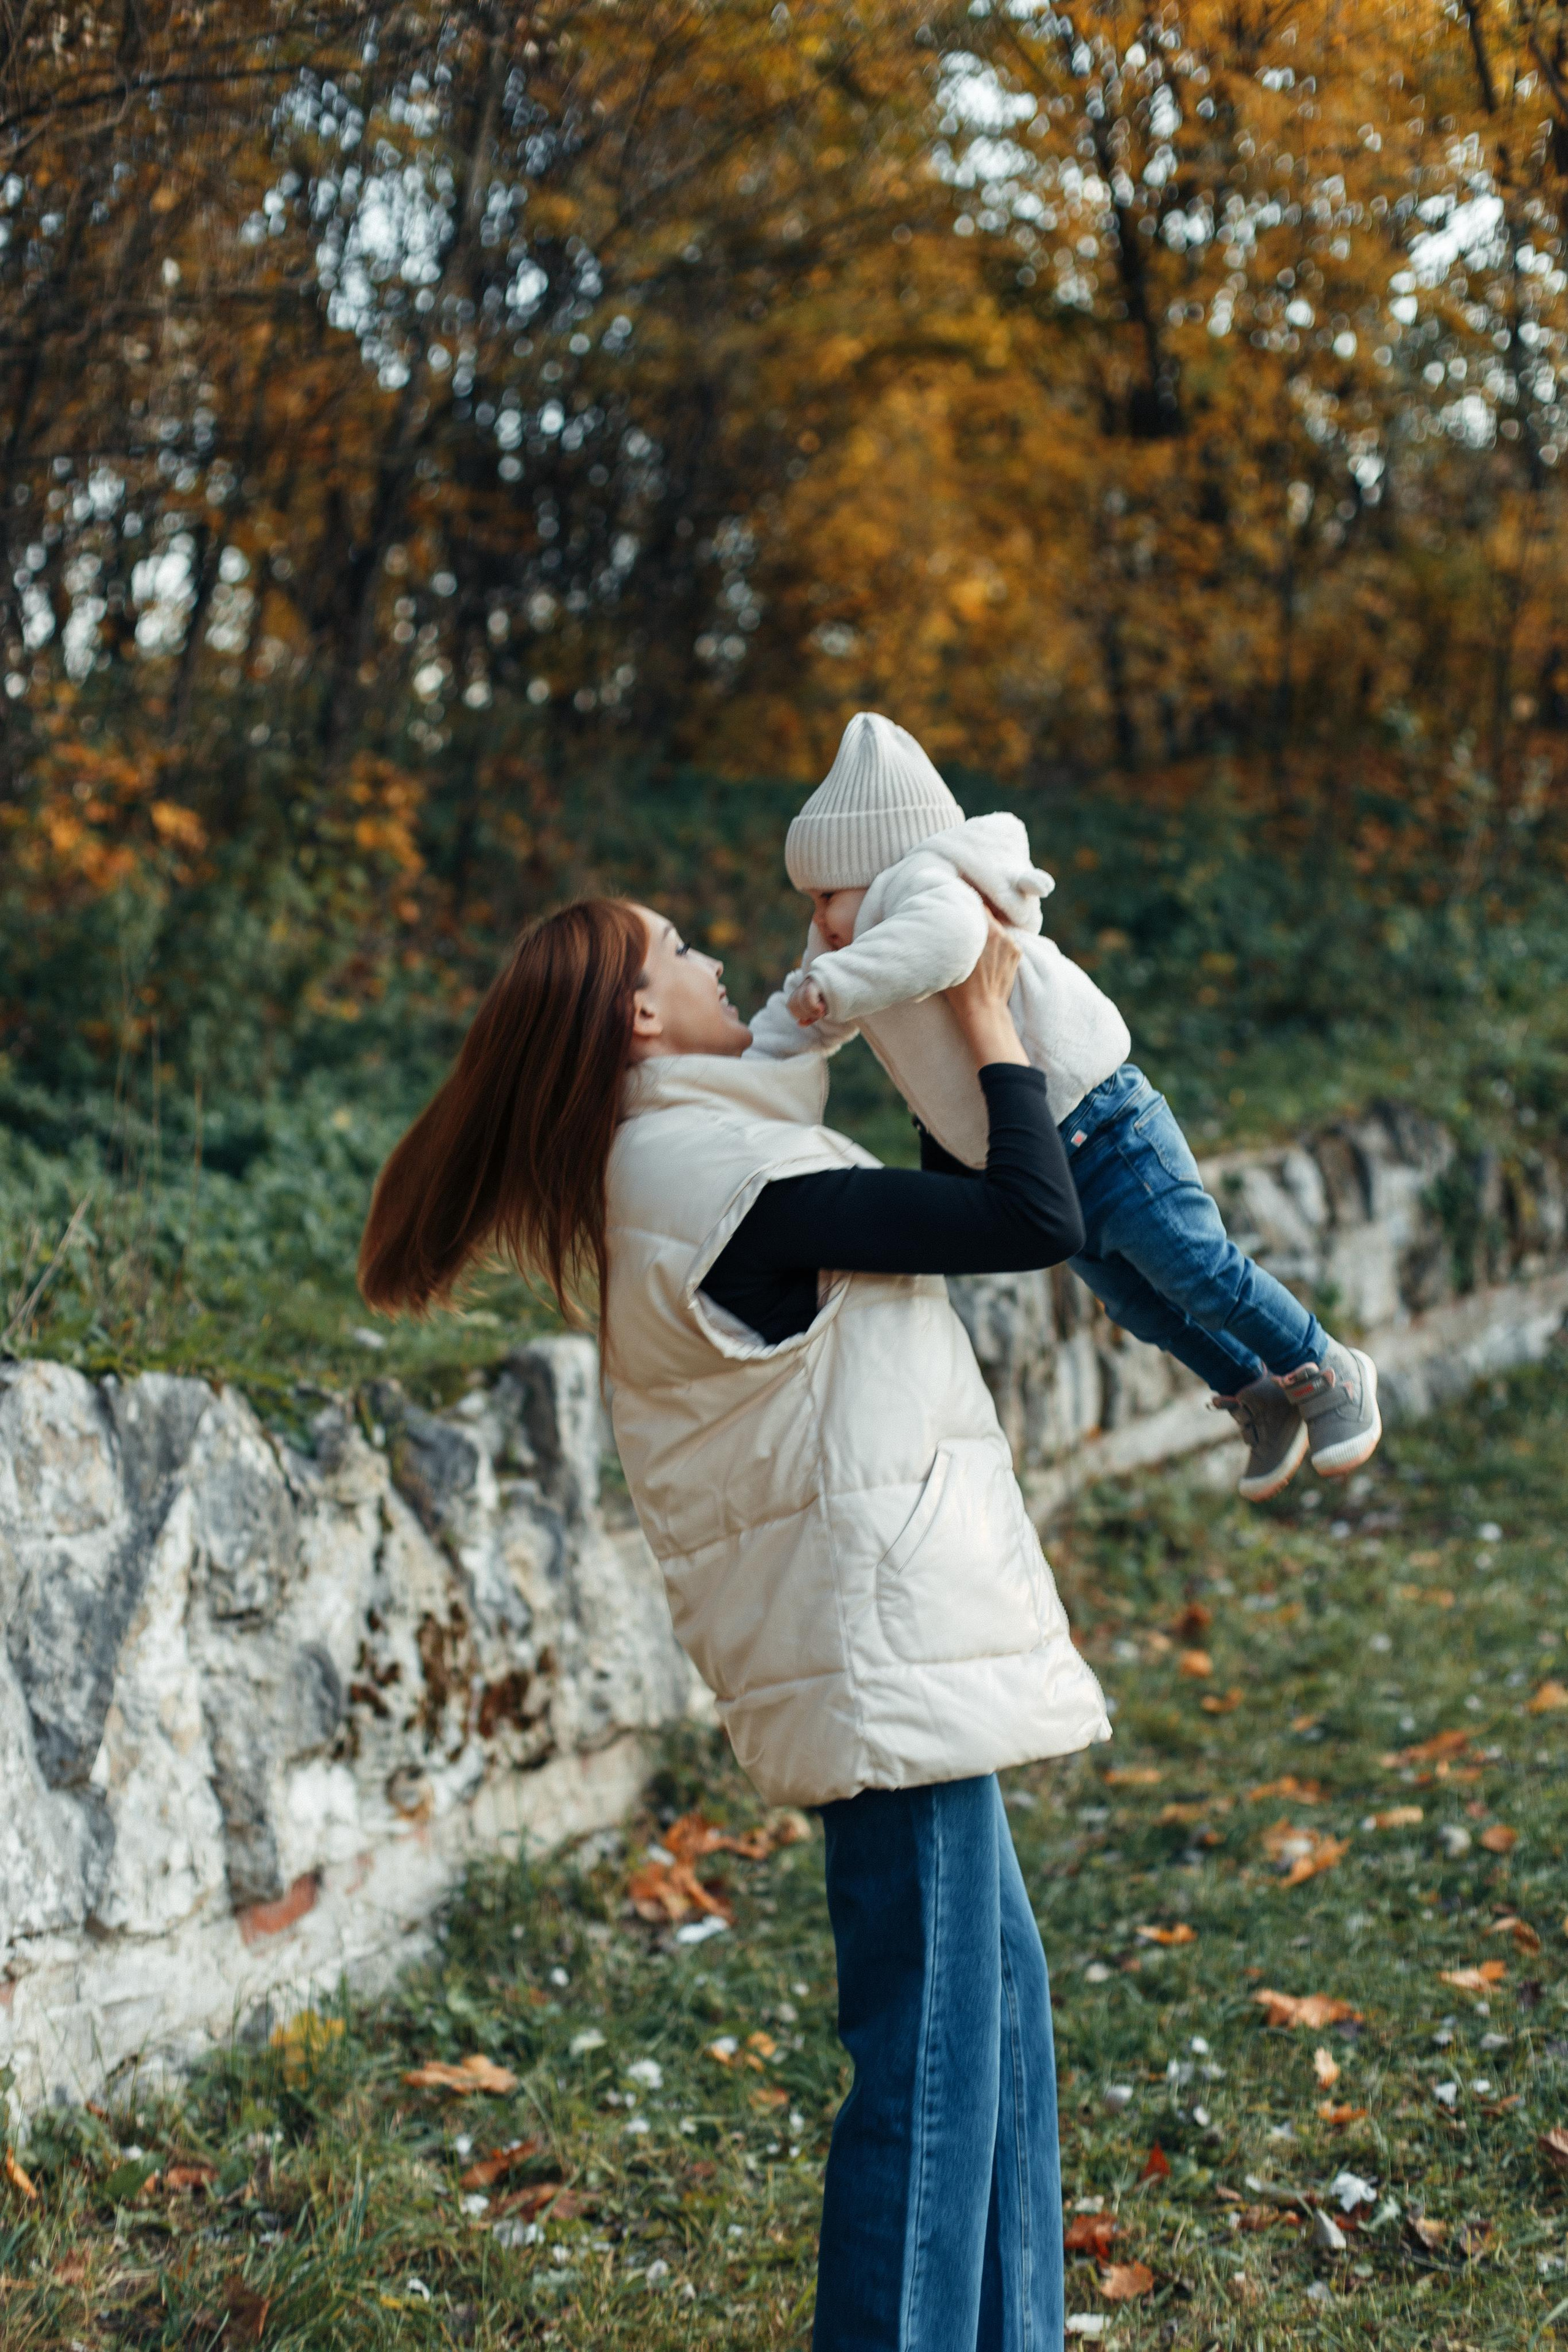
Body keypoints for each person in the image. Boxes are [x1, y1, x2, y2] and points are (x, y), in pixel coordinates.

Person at [358, 895, 1109, 2350]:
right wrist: (981, 1015)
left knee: (991, 2016)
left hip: (880, 1639)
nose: (712, 960)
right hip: (877, 1649)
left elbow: (959, 1202)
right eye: (678, 950)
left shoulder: (702, 1159)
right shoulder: (709, 1175)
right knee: (935, 2056)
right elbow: (1029, 1215)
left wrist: (893, 1014)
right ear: (640, 1017)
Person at [748, 709, 1382, 1503]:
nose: (816, 921)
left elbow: (944, 944)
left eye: (824, 896)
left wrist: (834, 984)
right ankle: (1255, 1394)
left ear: (873, 871)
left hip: (1105, 1122)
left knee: (1197, 1270)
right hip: (1045, 1157)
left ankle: (1325, 1365)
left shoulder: (928, 889)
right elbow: (798, 1017)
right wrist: (748, 1062)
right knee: (1139, 1306)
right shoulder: (851, 945)